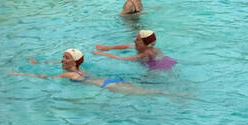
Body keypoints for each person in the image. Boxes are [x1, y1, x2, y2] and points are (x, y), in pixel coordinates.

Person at [13, 49, 163, 94]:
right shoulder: (80, 69)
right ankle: (173, 94)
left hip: (108, 86)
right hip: (111, 81)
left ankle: (176, 95)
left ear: (74, 62)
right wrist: (38, 62)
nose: (62, 60)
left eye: (66, 58)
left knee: (149, 93)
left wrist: (20, 74)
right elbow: (57, 63)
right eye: (62, 57)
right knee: (149, 91)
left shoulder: (68, 74)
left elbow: (45, 77)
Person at [94, 30, 176, 69]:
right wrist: (107, 48)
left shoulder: (144, 54)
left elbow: (123, 59)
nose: (134, 41)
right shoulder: (153, 48)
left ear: (145, 43)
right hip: (165, 62)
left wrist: (102, 54)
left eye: (137, 40)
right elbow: (127, 46)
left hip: (156, 70)